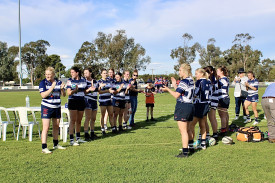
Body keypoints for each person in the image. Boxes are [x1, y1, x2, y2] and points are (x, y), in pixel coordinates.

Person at [162, 64, 194, 158]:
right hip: (189, 106)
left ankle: (185, 152)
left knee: (183, 131)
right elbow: (181, 92)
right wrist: (175, 84)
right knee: (188, 129)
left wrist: (167, 89)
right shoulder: (191, 80)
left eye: (180, 70)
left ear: (184, 71)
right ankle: (190, 147)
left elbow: (176, 95)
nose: (179, 72)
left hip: (183, 106)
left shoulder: (184, 81)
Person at [39, 67, 66, 154]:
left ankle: (56, 144)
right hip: (47, 107)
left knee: (56, 126)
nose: (47, 76)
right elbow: (43, 95)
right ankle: (44, 147)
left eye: (49, 74)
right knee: (46, 128)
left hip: (57, 107)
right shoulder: (43, 83)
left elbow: (64, 95)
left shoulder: (58, 82)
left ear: (53, 74)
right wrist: (52, 87)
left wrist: (62, 88)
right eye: (46, 74)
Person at [188, 68, 210, 151]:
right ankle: (203, 144)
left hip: (199, 105)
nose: (195, 75)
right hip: (206, 105)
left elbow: (196, 93)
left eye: (196, 73)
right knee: (202, 125)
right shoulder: (208, 82)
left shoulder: (199, 82)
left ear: (201, 74)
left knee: (191, 125)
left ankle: (190, 144)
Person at [66, 66, 88, 146]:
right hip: (73, 100)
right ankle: (71, 139)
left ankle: (78, 138)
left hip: (81, 100)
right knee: (73, 120)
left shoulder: (83, 80)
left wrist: (90, 90)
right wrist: (75, 90)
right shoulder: (70, 81)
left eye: (72, 72)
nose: (71, 74)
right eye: (71, 72)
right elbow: (68, 92)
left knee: (79, 121)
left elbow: (85, 91)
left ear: (77, 73)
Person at [98, 69, 116, 134]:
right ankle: (102, 129)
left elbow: (111, 88)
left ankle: (113, 128)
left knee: (111, 114)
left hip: (109, 100)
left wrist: (111, 91)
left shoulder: (109, 81)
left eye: (106, 73)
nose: (105, 74)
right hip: (102, 100)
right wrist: (106, 90)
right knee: (102, 115)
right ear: (101, 74)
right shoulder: (99, 81)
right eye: (104, 73)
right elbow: (99, 92)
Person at [83, 68, 98, 141]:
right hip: (88, 100)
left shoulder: (95, 81)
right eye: (84, 73)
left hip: (94, 100)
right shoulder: (84, 81)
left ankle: (92, 132)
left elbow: (98, 90)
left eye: (86, 72)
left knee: (93, 118)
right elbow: (84, 92)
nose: (85, 74)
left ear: (90, 73)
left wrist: (101, 87)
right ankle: (86, 133)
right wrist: (89, 89)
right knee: (88, 117)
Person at [204, 66, 219, 139]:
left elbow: (210, 91)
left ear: (211, 72)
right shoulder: (212, 79)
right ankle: (211, 133)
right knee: (210, 118)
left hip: (212, 101)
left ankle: (214, 133)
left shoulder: (212, 79)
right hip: (212, 100)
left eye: (207, 72)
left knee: (211, 118)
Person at [217, 66, 230, 135]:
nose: (217, 73)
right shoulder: (226, 79)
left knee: (222, 116)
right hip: (225, 98)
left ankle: (223, 130)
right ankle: (226, 128)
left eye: (218, 71)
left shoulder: (222, 79)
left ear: (222, 72)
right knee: (225, 115)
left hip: (222, 98)